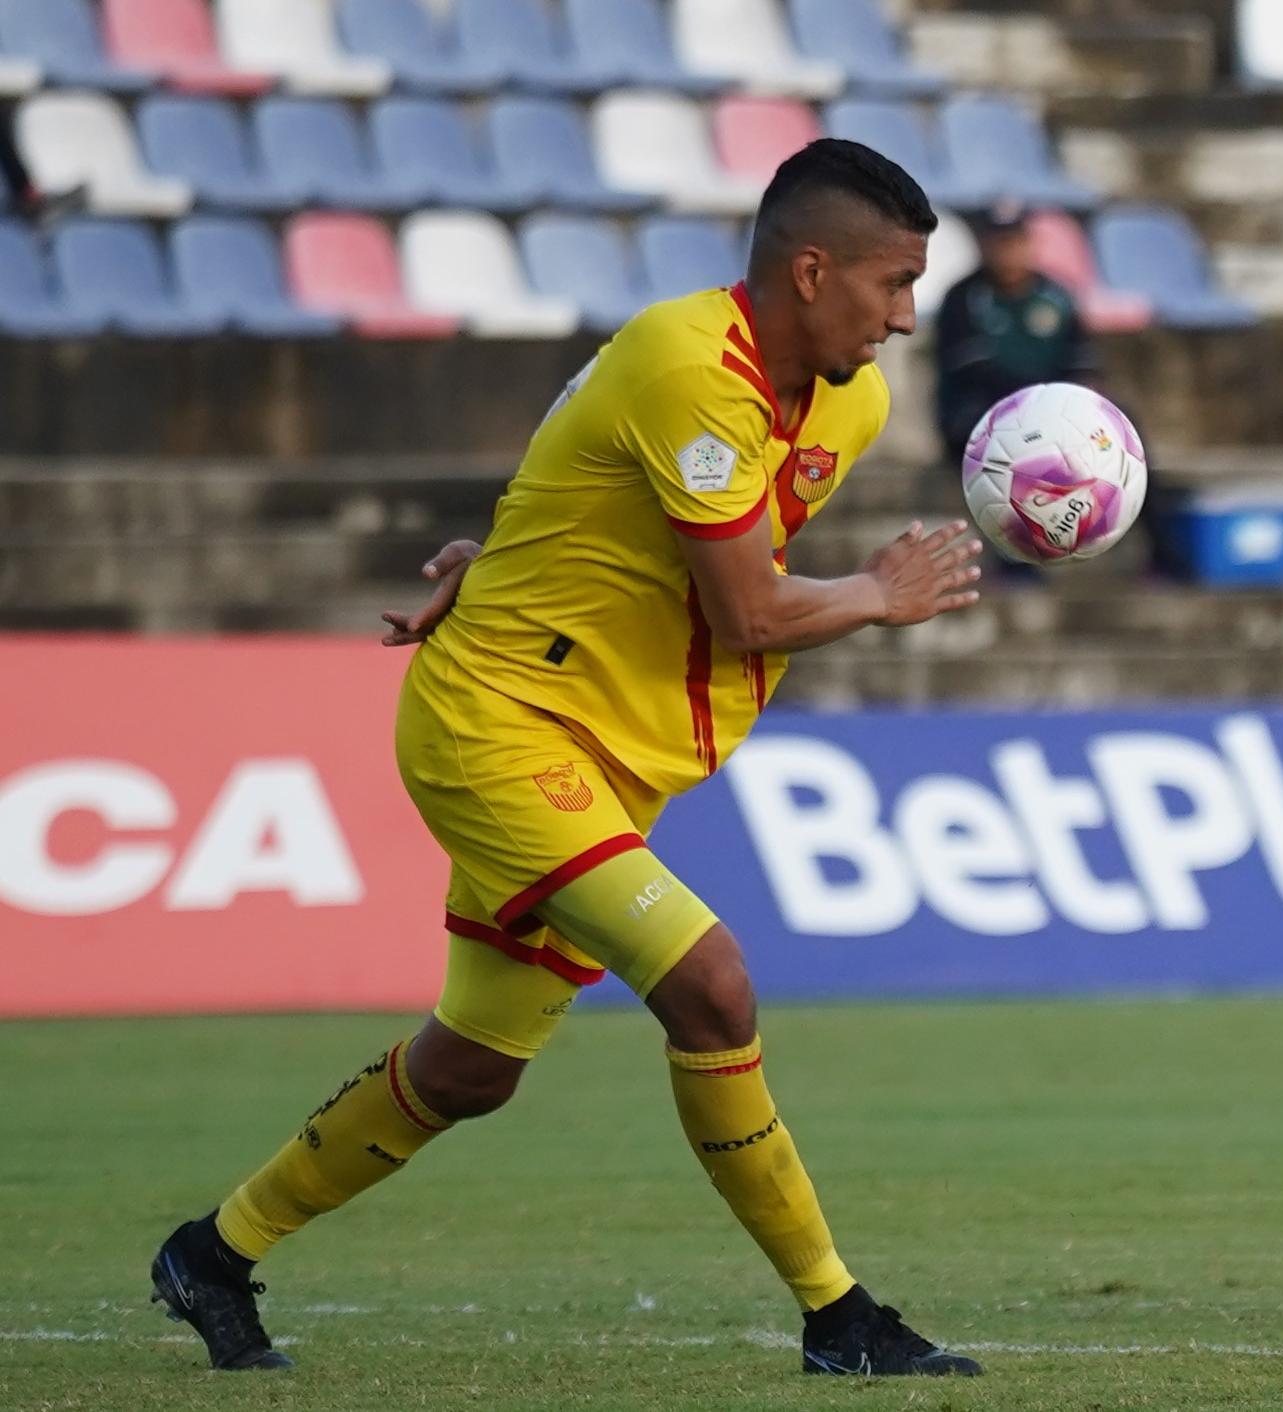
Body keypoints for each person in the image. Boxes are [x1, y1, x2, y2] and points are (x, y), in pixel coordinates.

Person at [145, 139, 991, 1377]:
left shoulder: (846, 399)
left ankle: (212, 1252)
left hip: (607, 747)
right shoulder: (687, 363)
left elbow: (587, 466)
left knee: (474, 1064)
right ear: (812, 271)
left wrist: (492, 550)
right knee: (711, 986)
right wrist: (875, 591)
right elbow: (751, 608)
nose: (909, 316)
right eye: (893, 283)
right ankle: (839, 1316)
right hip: (499, 725)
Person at [934, 201, 1095, 454]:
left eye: (1014, 241)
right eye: (999, 243)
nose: (1007, 252)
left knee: (1115, 422)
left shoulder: (1057, 296)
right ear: (984, 246)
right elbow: (974, 372)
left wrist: (1058, 405)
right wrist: (1039, 402)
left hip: (1053, 409)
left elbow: (1081, 364)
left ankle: (1146, 492)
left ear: (1029, 243)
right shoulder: (962, 297)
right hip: (983, 412)